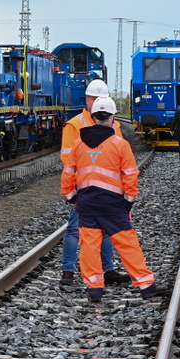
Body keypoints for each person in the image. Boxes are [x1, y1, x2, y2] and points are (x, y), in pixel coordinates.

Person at [61, 96, 164, 303]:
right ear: (113, 117)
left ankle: (94, 288)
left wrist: (71, 198)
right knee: (127, 243)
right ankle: (145, 285)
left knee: (89, 245)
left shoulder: (79, 143)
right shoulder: (120, 144)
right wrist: (128, 201)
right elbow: (130, 175)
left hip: (87, 202)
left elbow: (68, 173)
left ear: (93, 117)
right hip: (113, 203)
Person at [58, 79, 126, 288]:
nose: (97, 103)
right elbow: (67, 158)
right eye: (94, 99)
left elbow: (121, 153)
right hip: (84, 186)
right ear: (86, 100)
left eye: (101, 99)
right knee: (74, 229)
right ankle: (68, 271)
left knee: (104, 228)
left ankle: (108, 270)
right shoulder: (75, 124)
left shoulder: (114, 124)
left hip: (107, 186)